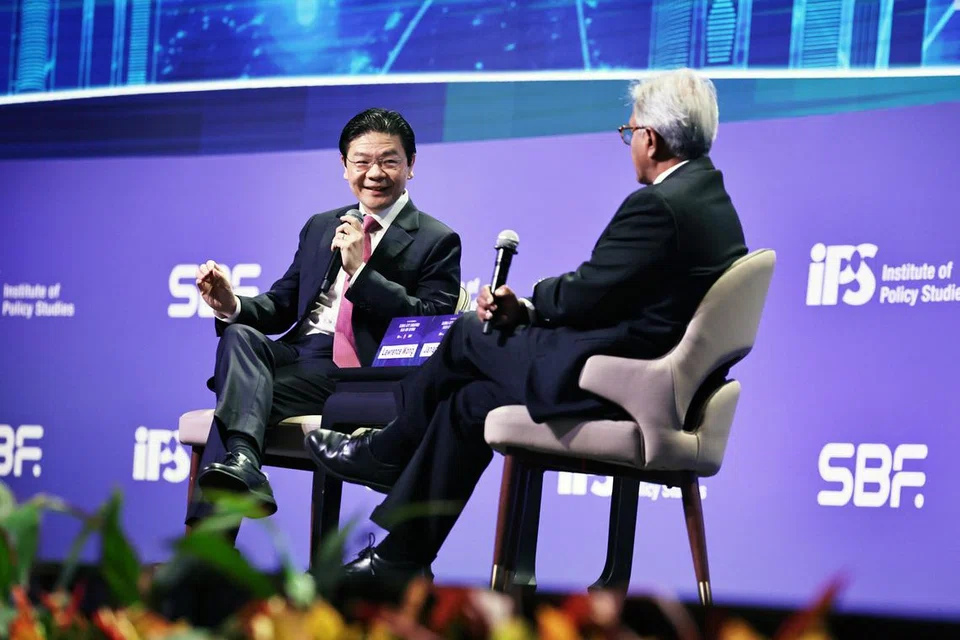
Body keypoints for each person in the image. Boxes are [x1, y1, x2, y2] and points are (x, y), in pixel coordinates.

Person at [305, 69, 748, 581]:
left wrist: (531, 304)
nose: (629, 143)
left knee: (468, 331)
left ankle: (387, 448)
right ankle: (399, 559)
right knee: (468, 403)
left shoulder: (659, 204)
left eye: (629, 132)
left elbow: (587, 292)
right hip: (645, 374)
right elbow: (623, 295)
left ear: (651, 138)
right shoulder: (710, 197)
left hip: (619, 383)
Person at [187, 108, 462, 524]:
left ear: (410, 165)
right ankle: (243, 461)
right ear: (344, 166)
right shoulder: (321, 226)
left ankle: (207, 546)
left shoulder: (436, 239)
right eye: (362, 162)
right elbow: (281, 304)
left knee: (237, 405)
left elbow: (429, 324)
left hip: (358, 372)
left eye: (389, 161)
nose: (375, 173)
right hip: (299, 357)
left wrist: (362, 274)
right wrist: (230, 305)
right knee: (239, 335)